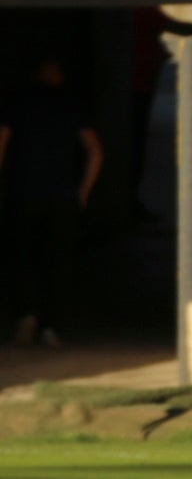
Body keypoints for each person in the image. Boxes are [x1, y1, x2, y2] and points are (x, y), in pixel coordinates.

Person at [0, 55, 103, 348]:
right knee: (57, 262)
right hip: (61, 197)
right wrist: (83, 191)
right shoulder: (72, 106)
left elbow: (1, 144)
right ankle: (50, 326)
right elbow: (95, 151)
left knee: (23, 257)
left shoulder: (17, 103)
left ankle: (27, 317)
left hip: (23, 193)